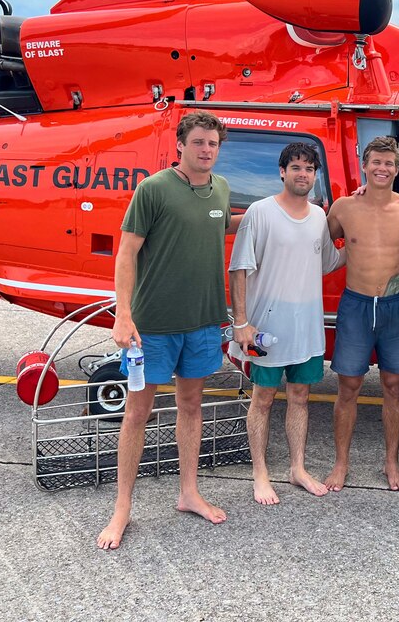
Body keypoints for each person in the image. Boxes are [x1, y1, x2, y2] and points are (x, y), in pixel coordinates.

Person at [98, 111, 236, 551]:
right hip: (153, 326)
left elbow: (224, 222)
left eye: (213, 143)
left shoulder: (221, 188)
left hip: (202, 322)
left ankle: (188, 492)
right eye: (198, 142)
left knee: (191, 405)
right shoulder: (153, 189)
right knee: (137, 412)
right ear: (180, 144)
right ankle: (122, 507)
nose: (206, 150)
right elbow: (126, 253)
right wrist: (124, 314)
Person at [229, 141, 344, 505]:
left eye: (309, 169)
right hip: (266, 328)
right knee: (263, 399)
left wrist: (366, 233)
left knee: (300, 396)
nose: (302, 174)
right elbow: (239, 269)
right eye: (295, 167)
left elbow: (329, 261)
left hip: (305, 327)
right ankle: (260, 473)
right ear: (282, 172)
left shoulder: (318, 218)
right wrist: (242, 322)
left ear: (315, 175)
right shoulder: (260, 213)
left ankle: (297, 468)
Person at [323, 136, 399, 492]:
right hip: (356, 304)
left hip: (396, 306)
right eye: (376, 162)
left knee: (394, 386)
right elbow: (315, 241)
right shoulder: (344, 207)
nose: (382, 168)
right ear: (365, 166)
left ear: (397, 168)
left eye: (389, 163)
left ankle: (391, 463)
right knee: (348, 387)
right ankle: (341, 464)